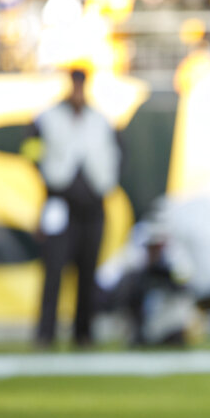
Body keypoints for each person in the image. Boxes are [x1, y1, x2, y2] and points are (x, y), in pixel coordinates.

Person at [24, 67, 121, 348]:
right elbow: (30, 147)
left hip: (92, 205)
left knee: (88, 271)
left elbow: (117, 154)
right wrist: (46, 175)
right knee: (53, 270)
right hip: (60, 202)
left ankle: (84, 333)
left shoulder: (100, 119)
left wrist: (106, 183)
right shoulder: (48, 117)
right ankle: (46, 333)